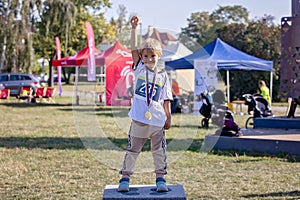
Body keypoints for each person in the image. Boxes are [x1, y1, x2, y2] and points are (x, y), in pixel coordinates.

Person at [118, 16, 173, 193]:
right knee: (133, 149)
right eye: (146, 56)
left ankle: (160, 179)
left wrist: (168, 117)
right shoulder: (139, 68)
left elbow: (166, 99)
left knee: (158, 151)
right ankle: (125, 179)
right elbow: (133, 48)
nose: (149, 59)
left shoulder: (163, 76)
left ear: (159, 57)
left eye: (153, 56)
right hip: (139, 118)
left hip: (157, 120)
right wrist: (134, 29)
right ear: (141, 57)